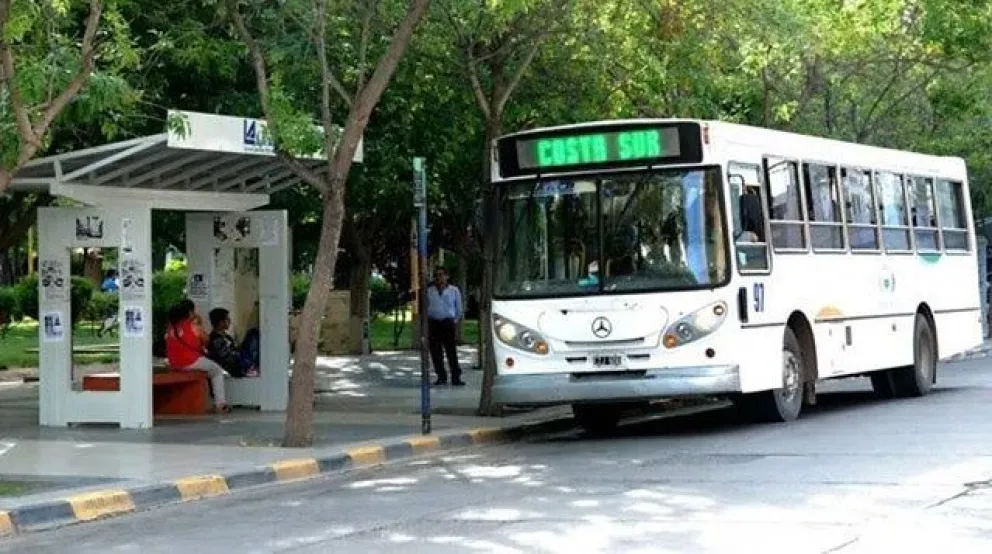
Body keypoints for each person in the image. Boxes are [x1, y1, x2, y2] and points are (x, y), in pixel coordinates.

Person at [164, 299, 230, 413]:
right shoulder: (192, 325)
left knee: (208, 368)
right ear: (189, 313)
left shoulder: (171, 328)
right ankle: (220, 404)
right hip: (191, 361)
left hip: (174, 363)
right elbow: (206, 339)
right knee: (217, 371)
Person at [426, 266, 464, 386]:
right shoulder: (430, 291)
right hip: (434, 323)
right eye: (437, 275)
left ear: (447, 276)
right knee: (436, 352)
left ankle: (456, 377)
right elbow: (426, 306)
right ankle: (441, 376)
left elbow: (459, 309)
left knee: (451, 351)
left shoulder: (454, 290)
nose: (439, 277)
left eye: (442, 274)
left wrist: (455, 322)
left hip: (448, 323)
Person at [206, 307, 258, 378]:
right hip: (230, 366)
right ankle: (249, 366)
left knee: (253, 333)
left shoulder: (227, 336)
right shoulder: (215, 339)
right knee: (253, 336)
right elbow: (227, 357)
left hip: (238, 360)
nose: (230, 320)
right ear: (221, 322)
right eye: (227, 319)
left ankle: (250, 365)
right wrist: (240, 355)